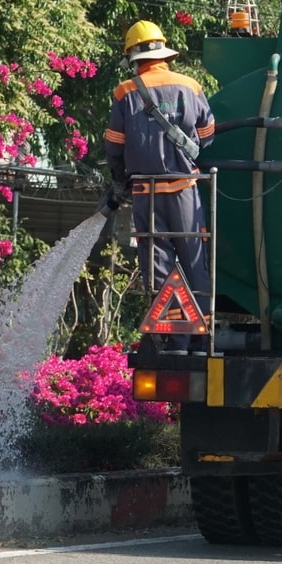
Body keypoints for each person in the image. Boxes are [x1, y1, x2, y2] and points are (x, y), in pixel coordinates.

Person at [104, 21, 215, 347]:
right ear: (164, 53)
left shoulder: (125, 91)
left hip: (146, 195)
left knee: (159, 269)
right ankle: (203, 340)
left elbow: (114, 146)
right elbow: (207, 137)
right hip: (185, 191)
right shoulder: (190, 86)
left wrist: (119, 181)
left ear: (134, 59)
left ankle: (174, 343)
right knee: (195, 264)